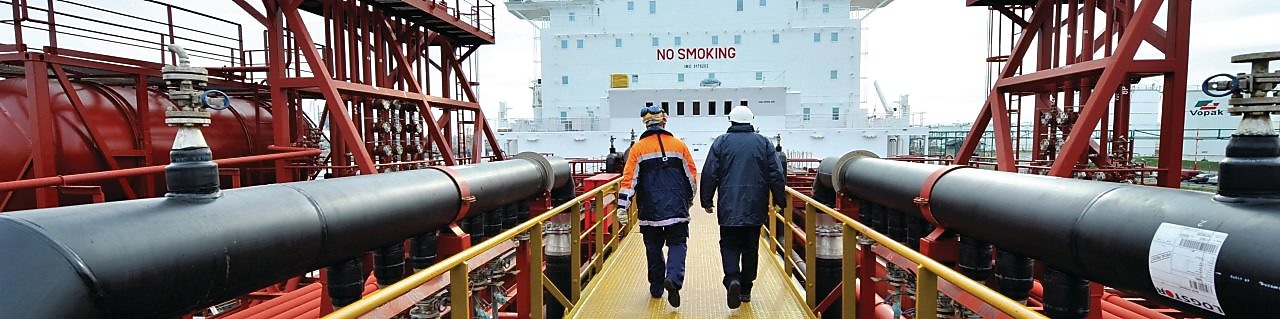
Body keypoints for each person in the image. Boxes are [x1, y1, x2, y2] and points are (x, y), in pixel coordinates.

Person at [700, 105, 786, 309]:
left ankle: (732, 280)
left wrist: (706, 200)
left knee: (729, 244)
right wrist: (780, 201)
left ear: (731, 121)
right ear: (751, 121)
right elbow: (776, 173)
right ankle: (746, 289)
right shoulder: (763, 142)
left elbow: (710, 172)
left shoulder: (721, 142)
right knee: (750, 248)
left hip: (729, 207)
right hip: (755, 206)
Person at [617, 105, 698, 307]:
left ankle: (656, 287)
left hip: (649, 210)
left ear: (645, 123)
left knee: (653, 248)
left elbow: (629, 180)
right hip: (676, 208)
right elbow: (691, 176)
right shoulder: (679, 146)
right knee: (678, 244)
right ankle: (673, 278)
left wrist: (622, 206)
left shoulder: (637, 149)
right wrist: (689, 198)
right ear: (664, 121)